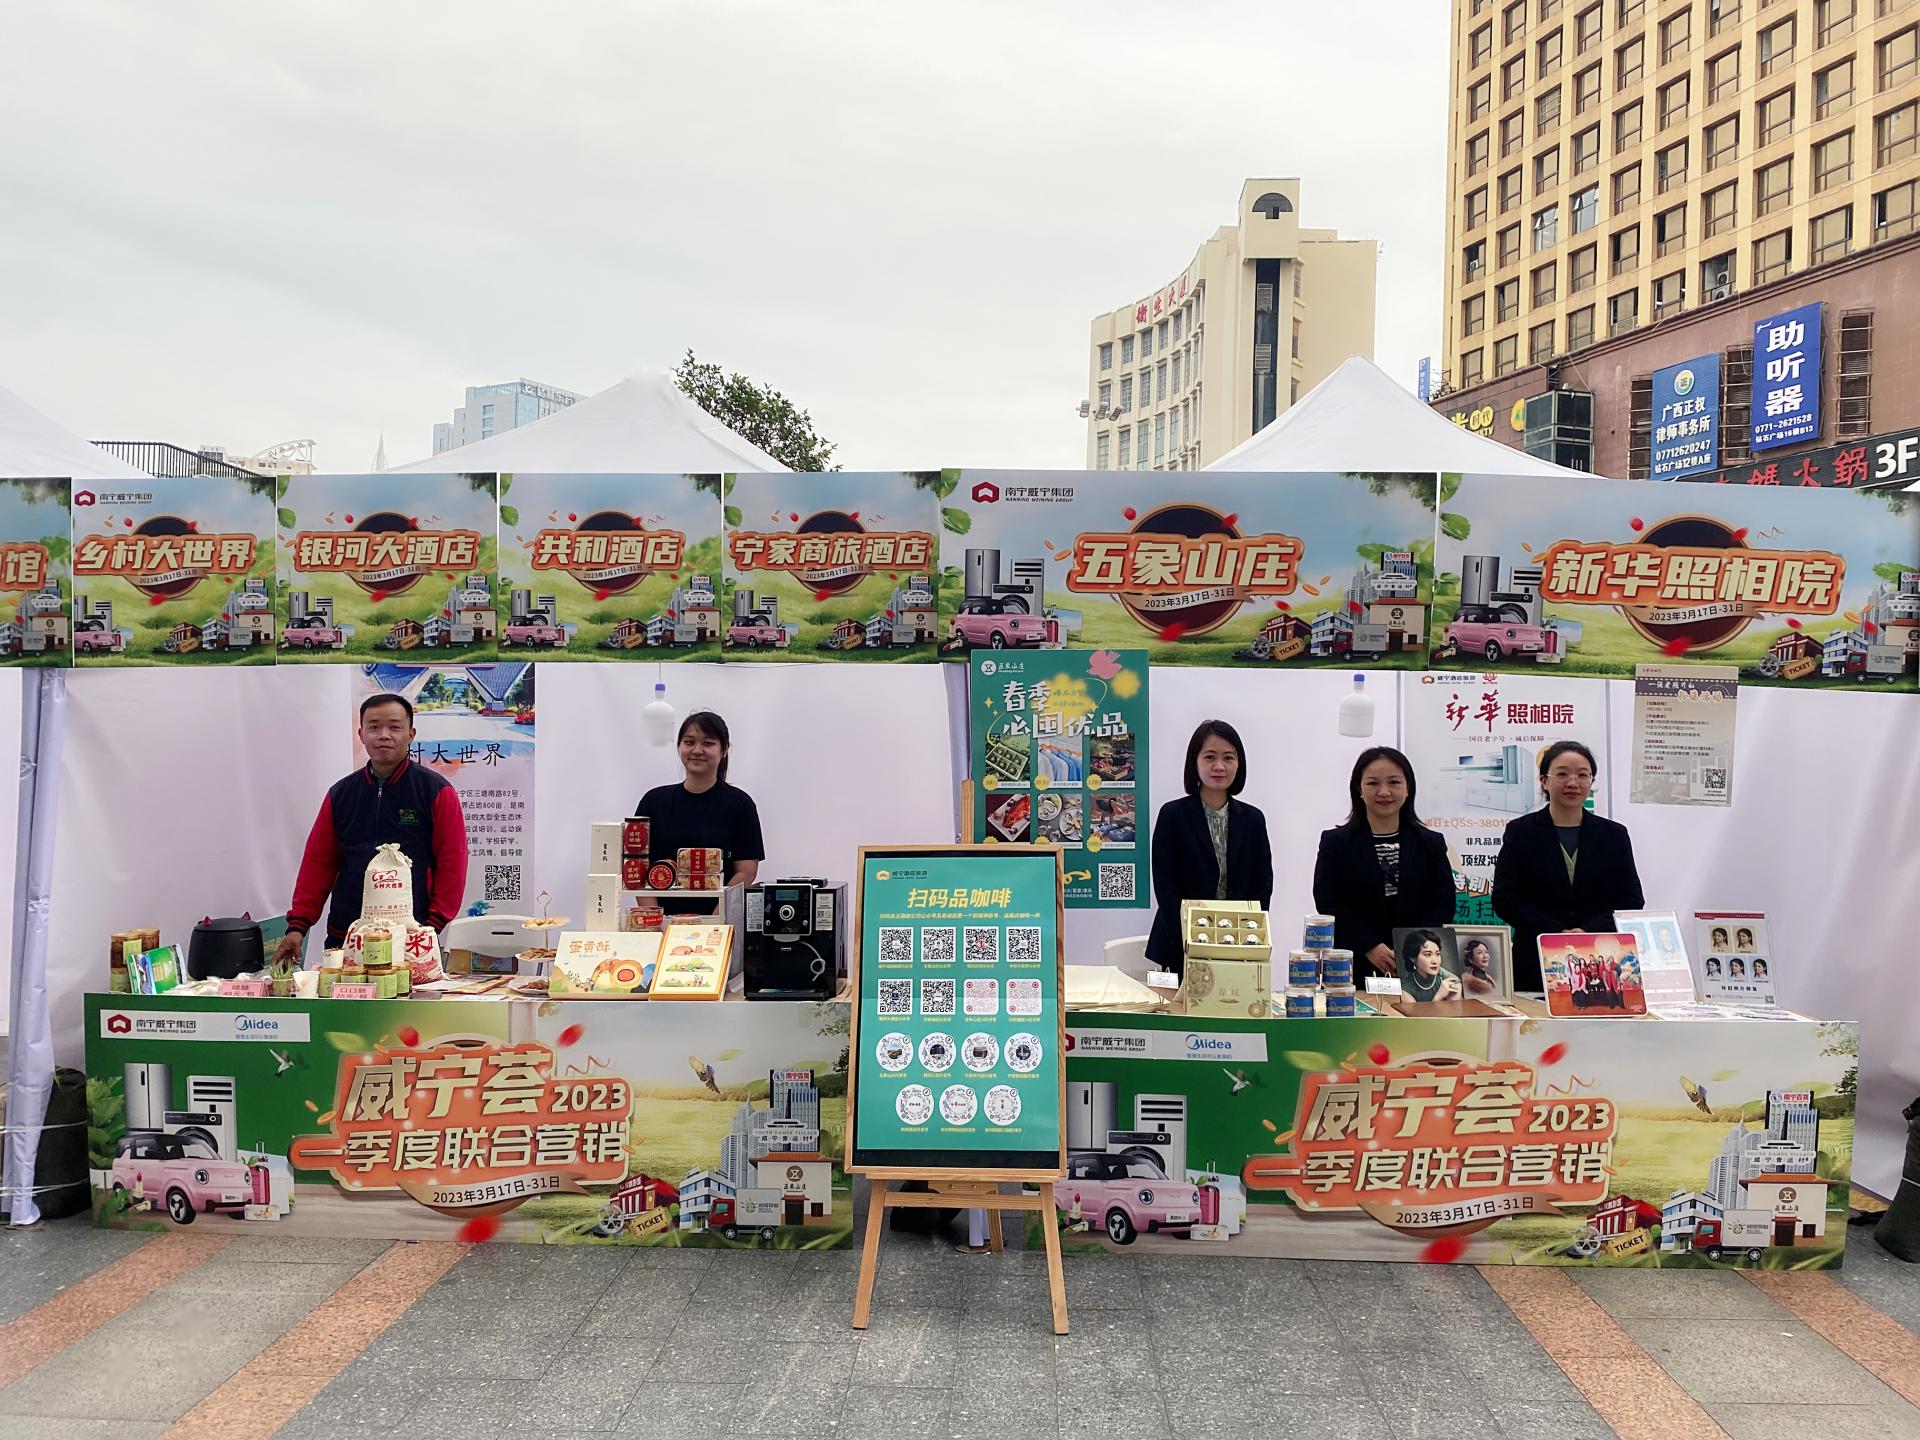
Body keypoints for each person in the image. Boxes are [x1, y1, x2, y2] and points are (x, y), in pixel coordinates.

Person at [275, 694, 468, 964]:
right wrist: (298, 926)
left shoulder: (436, 791)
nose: (384, 735)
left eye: (394, 727)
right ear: (361, 734)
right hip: (347, 935)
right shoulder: (341, 794)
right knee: (343, 993)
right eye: (374, 727)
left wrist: (431, 926)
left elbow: (452, 862)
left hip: (412, 937)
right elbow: (318, 863)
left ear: (411, 734)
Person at [1492, 740, 1644, 993]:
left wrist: (1586, 932)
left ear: (1591, 782)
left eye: (1582, 775)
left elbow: (1632, 899)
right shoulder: (1521, 832)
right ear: (1544, 781)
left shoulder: (1613, 835)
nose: (1573, 782)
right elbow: (1504, 898)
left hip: (1600, 959)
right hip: (1536, 959)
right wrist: (1557, 933)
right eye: (1562, 774)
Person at [1311, 747, 1456, 977]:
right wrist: (1369, 945)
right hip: (1354, 964)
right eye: (1373, 783)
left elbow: (1443, 902)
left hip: (1418, 965)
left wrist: (1414, 948)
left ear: (1408, 788)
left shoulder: (1431, 843)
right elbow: (1327, 900)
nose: (1384, 792)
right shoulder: (1336, 842)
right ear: (1358, 789)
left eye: (1394, 782)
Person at [1146, 721, 1273, 974]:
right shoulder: (1173, 815)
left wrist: (1247, 935)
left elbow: (1262, 886)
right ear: (1194, 762)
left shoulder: (1253, 819)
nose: (1219, 766)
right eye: (1210, 757)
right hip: (1179, 945)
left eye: (1228, 757)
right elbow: (1165, 887)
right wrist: (1190, 941)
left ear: (1239, 763)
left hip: (1238, 944)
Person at [635, 711, 765, 890]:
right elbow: (636, 867)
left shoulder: (741, 804)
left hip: (721, 908)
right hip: (660, 908)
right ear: (679, 747)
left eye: (708, 743)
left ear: (724, 750)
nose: (697, 750)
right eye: (689, 742)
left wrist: (720, 907)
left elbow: (746, 872)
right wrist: (651, 907)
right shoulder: (653, 802)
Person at [1398, 929, 1461, 1003]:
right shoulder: (1405, 987)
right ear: (1413, 958)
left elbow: (1452, 1010)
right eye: (1428, 954)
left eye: (1437, 954)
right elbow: (1413, 1011)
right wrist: (1438, 997)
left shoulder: (1452, 982)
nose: (1435, 961)